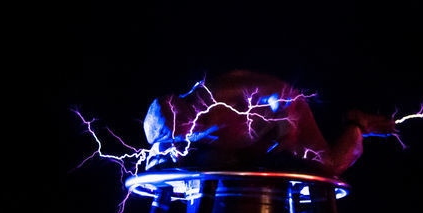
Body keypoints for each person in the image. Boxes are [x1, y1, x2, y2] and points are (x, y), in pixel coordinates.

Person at [141, 69, 398, 177]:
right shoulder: (185, 128)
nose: (182, 139)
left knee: (330, 165)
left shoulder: (222, 94)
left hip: (288, 110)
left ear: (184, 112)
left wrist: (286, 142)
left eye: (179, 133)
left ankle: (358, 124)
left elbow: (282, 99)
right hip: (254, 138)